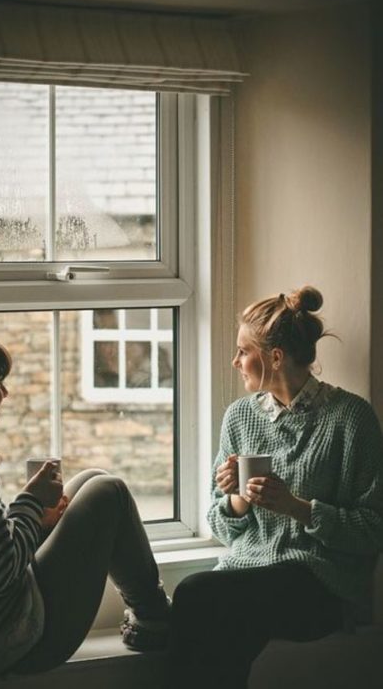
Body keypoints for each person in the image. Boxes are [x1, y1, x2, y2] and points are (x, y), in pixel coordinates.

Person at [0, 332, 170, 677]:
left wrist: (37, 517)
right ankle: (155, 619)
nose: (5, 393)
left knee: (91, 478)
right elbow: (1, 569)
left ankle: (152, 615)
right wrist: (31, 500)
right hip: (11, 638)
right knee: (109, 491)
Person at [168, 286, 383, 688]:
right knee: (215, 616)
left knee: (199, 597)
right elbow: (222, 525)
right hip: (249, 573)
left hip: (320, 584)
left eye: (243, 351)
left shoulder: (352, 419)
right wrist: (237, 499)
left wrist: (296, 507)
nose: (235, 362)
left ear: (276, 357)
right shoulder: (239, 417)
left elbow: (372, 530)